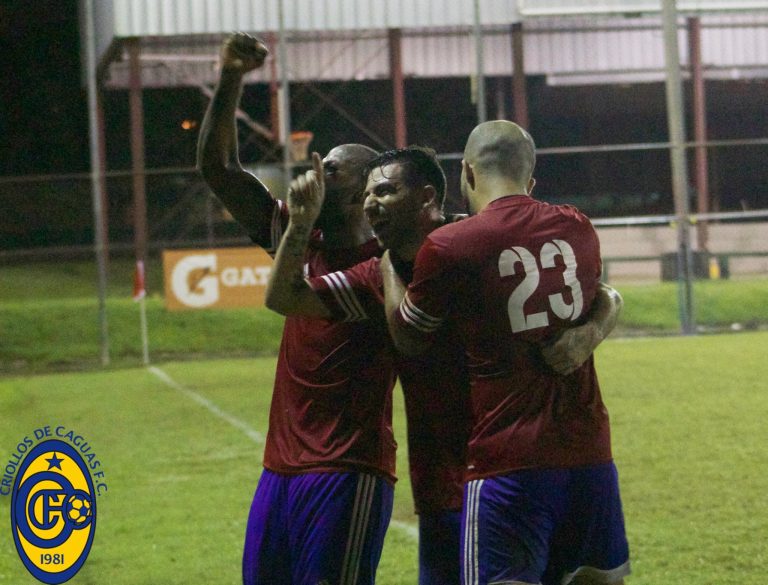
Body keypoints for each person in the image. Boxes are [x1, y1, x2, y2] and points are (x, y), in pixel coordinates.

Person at [267, 145, 625, 585]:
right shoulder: (378, 273)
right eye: (366, 196)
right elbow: (286, 298)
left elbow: (598, 289)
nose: (370, 206)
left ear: (426, 197)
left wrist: (589, 332)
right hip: (444, 480)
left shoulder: (475, 242)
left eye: (384, 192)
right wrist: (300, 225)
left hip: (512, 468)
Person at [380, 122, 630, 585]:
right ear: (530, 179)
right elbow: (600, 295)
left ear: (467, 174)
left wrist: (389, 264)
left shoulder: (451, 246)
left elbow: (410, 335)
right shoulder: (576, 226)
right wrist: (591, 331)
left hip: (508, 460)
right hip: (590, 454)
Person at [198, 33, 395, 585]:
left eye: (333, 170)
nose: (315, 169)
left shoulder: (380, 266)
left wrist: (303, 224)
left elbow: (282, 299)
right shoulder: (297, 232)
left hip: (346, 470)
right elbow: (220, 170)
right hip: (279, 470)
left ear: (364, 195)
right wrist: (232, 76)